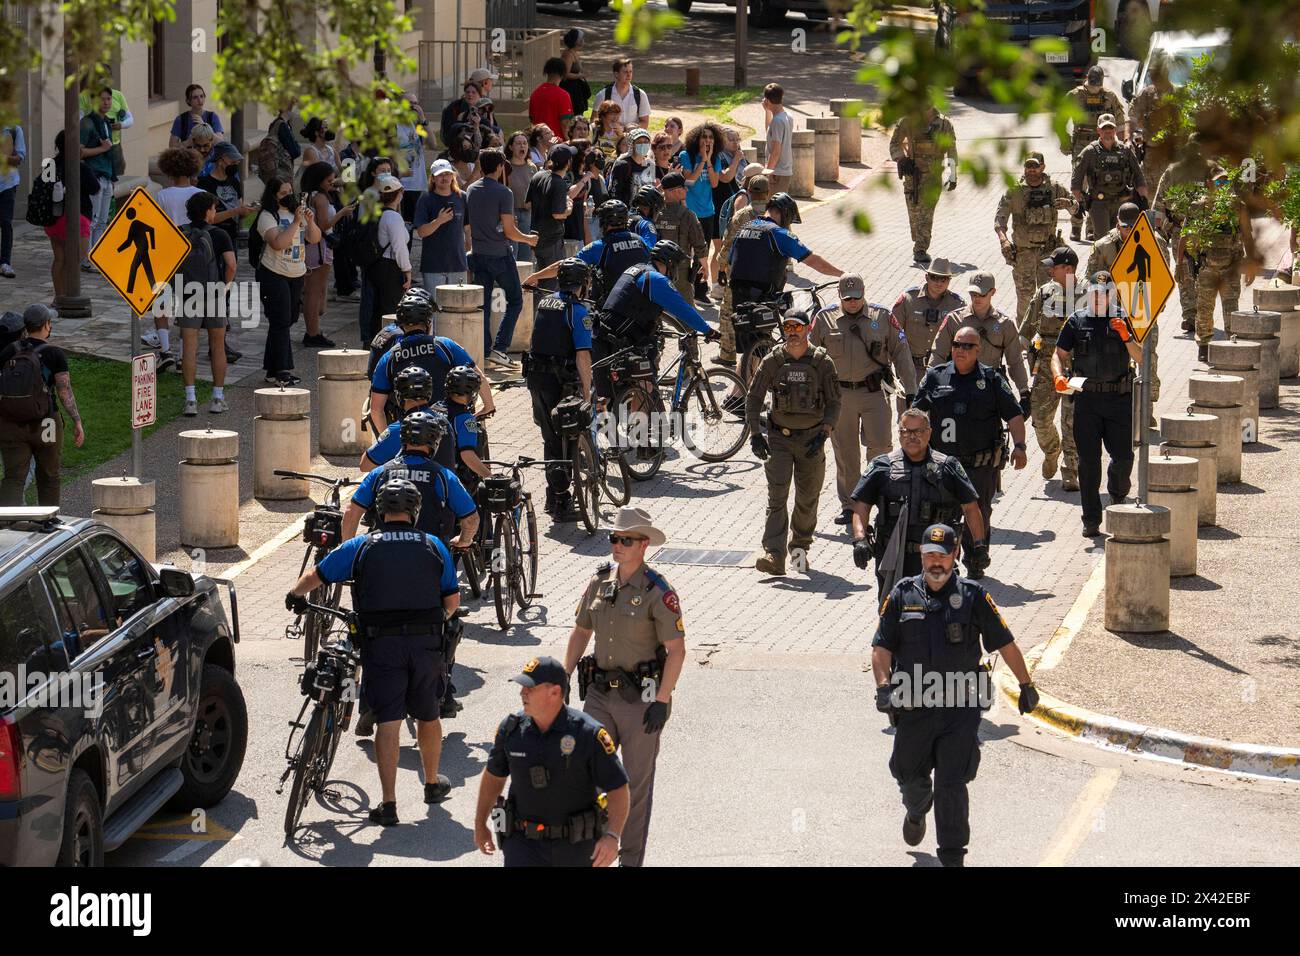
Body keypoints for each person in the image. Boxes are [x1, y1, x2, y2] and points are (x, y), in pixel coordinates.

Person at [287, 478, 461, 824]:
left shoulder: (363, 546)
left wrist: (295, 594)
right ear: (414, 512)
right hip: (426, 645)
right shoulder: (434, 545)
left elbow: (317, 575)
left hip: (381, 645)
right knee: (428, 715)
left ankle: (389, 804)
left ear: (380, 511)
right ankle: (430, 783)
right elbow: (452, 601)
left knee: (389, 721)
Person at [872, 523, 1038, 867]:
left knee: (952, 782)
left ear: (955, 555)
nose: (936, 563)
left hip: (959, 709)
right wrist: (883, 688)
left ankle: (952, 856)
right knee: (907, 774)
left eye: (942, 556)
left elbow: (1005, 643)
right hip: (914, 705)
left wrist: (1026, 685)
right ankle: (917, 808)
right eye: (930, 555)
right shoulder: (903, 594)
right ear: (921, 556)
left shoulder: (974, 596)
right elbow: (881, 647)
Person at [563, 508, 684, 867]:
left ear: (643, 545)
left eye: (625, 540)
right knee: (586, 776)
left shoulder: (658, 591)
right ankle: (592, 852)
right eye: (614, 539)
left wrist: (662, 700)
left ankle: (630, 861)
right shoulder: (599, 581)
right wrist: (564, 675)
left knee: (635, 786)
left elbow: (677, 650)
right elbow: (582, 631)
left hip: (642, 703)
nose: (617, 545)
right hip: (600, 694)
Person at [474, 656, 630, 867]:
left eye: (530, 688)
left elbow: (618, 788)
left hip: (575, 848)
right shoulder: (511, 730)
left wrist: (612, 836)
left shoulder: (587, 734)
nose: (523, 693)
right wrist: (480, 823)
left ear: (555, 692)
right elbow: (494, 776)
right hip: (523, 844)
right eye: (522, 687)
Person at [914, 325, 1026, 578]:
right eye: (956, 345)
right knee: (942, 514)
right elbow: (916, 415)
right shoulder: (936, 376)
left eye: (967, 346)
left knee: (979, 511)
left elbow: (1014, 416)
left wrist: (1020, 446)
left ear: (979, 350)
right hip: (942, 465)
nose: (960, 350)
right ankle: (945, 561)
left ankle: (977, 558)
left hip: (980, 464)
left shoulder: (991, 380)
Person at [810, 274, 918, 528]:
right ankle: (850, 505)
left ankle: (879, 497)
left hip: (874, 393)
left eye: (857, 298)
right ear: (839, 296)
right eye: (847, 299)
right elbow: (810, 355)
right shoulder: (824, 319)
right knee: (846, 453)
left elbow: (901, 352)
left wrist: (911, 390)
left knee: (880, 447)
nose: (852, 303)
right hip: (840, 396)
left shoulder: (881, 317)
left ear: (864, 293)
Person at [850, 408, 985, 600]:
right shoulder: (882, 466)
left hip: (938, 557)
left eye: (918, 431)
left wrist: (979, 546)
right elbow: (861, 506)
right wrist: (860, 540)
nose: (911, 437)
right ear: (899, 434)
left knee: (941, 616)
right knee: (892, 615)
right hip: (893, 558)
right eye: (906, 431)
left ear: (929, 433)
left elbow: (970, 508)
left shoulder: (948, 466)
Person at [746, 309, 841, 576]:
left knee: (807, 498)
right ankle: (774, 555)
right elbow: (753, 398)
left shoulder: (822, 362)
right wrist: (755, 434)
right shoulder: (773, 360)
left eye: (797, 327)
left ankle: (799, 550)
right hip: (779, 440)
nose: (792, 333)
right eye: (788, 327)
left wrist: (825, 432)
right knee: (777, 497)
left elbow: (835, 402)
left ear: (808, 329)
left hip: (812, 440)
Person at [1051, 270, 1144, 537]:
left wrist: (1126, 336)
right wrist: (1058, 375)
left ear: (1112, 295)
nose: (1099, 298)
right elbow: (1058, 354)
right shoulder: (1076, 321)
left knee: (1124, 458)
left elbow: (1140, 358)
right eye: (1094, 293)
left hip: (1119, 400)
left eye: (1104, 294)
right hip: (1088, 401)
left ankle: (1117, 497)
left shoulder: (1124, 319)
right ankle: (1091, 519)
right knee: (1088, 464)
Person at [571, 240, 717, 401]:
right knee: (646, 388)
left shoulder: (637, 269)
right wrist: (708, 330)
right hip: (619, 342)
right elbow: (684, 310)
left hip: (603, 336)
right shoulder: (655, 279)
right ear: (669, 263)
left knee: (606, 400)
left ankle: (632, 424)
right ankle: (641, 423)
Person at [728, 193, 844, 366]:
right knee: (760, 348)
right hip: (762, 297)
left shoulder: (744, 228)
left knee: (751, 348)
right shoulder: (778, 234)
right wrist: (841, 274)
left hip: (737, 295)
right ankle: (748, 389)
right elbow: (813, 260)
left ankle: (739, 392)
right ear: (784, 213)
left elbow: (731, 260)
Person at [522, 258, 594, 517]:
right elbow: (583, 356)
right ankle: (562, 500)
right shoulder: (578, 312)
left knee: (549, 437)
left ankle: (553, 497)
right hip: (560, 383)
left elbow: (530, 283)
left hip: (535, 380)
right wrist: (587, 393)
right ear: (583, 284)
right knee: (564, 438)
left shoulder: (545, 302)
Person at [368, 288, 492, 435]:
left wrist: (388, 442)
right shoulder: (445, 345)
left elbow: (376, 409)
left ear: (401, 323)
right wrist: (488, 406)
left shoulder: (389, 358)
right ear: (428, 321)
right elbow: (478, 377)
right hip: (448, 428)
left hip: (410, 432)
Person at [1086, 202, 1167, 410]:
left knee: (1147, 356)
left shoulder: (1155, 242)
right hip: (1113, 312)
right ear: (1117, 224)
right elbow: (1089, 280)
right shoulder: (1104, 246)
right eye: (1124, 227)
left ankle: (1146, 407)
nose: (1128, 231)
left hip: (1143, 310)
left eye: (1132, 226)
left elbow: (1162, 276)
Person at [0, 304, 83, 505]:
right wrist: (77, 421)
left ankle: (6, 526)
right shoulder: (55, 354)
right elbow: (64, 391)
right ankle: (49, 522)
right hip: (47, 423)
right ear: (47, 325)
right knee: (49, 476)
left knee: (13, 478)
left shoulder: (9, 350)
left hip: (11, 423)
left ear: (26, 326)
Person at [466, 148, 539, 367]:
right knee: (516, 300)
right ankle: (499, 348)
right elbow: (509, 230)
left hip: (478, 253)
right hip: (499, 255)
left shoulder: (471, 189)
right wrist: (528, 239)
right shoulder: (503, 192)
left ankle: (487, 350)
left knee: (485, 304)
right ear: (499, 167)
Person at [1179, 166, 1257, 362]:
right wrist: (1179, 264)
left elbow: (1247, 235)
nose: (1223, 186)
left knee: (1231, 307)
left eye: (1226, 182)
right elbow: (1184, 236)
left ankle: (1232, 343)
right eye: (1218, 182)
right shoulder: (1198, 206)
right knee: (1204, 308)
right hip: (1206, 268)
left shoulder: (1237, 206)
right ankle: (1204, 346)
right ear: (1209, 184)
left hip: (1231, 267)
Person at [1019, 246, 1081, 490]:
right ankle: (1052, 450)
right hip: (1046, 366)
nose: (1049, 270)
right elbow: (1024, 332)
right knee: (1041, 418)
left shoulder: (1088, 294)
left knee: (1072, 422)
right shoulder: (1044, 293)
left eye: (1053, 266)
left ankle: (1071, 471)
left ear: (1068, 269)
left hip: (1077, 368)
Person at [928, 271, 1031, 416]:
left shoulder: (1004, 324)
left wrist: (1024, 392)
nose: (976, 299)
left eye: (982, 295)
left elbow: (1015, 361)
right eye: (973, 294)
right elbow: (938, 354)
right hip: (957, 384)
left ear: (993, 292)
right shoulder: (954, 320)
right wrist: (931, 382)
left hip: (989, 386)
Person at [994, 151, 1077, 323]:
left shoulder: (1054, 188)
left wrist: (1069, 204)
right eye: (1028, 166)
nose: (1031, 170)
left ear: (1043, 167)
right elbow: (999, 219)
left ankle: (1049, 337)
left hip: (1049, 255)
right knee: (1025, 298)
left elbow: (1076, 209)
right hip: (1023, 255)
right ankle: (1025, 339)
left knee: (1051, 295)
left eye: (1035, 166)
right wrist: (1004, 241)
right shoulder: (1014, 191)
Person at [255, 175, 321, 385]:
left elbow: (314, 238)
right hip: (274, 273)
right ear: (274, 196)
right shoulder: (267, 216)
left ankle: (272, 369)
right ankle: (283, 370)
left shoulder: (298, 213)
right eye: (283, 193)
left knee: (287, 320)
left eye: (290, 192)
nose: (288, 196)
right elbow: (278, 243)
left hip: (296, 273)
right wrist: (294, 223)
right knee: (281, 321)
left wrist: (309, 221)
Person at [528, 200, 650, 311]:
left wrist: (535, 276)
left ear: (603, 222)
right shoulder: (641, 241)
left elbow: (566, 265)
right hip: (641, 304)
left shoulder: (600, 246)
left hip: (611, 307)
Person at [177, 192, 234, 416]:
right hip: (214, 293)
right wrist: (225, 285)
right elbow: (231, 265)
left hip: (188, 293)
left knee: (189, 347)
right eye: (214, 208)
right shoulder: (220, 234)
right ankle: (217, 398)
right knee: (217, 346)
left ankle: (190, 400)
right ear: (208, 211)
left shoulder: (181, 232)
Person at [1064, 65, 1127, 241]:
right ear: (1086, 80)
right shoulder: (1075, 96)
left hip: (1102, 145)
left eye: (1096, 87)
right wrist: (1064, 140)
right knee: (1079, 184)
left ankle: (1091, 227)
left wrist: (1122, 144)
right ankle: (1076, 224)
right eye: (1091, 86)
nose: (1094, 90)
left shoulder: (1109, 96)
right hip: (1081, 143)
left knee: (1097, 185)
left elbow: (1121, 122)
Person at [889, 106, 958, 265]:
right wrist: (901, 158)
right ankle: (918, 240)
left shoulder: (944, 124)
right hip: (912, 176)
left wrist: (953, 174)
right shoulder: (908, 121)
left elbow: (951, 150)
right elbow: (894, 143)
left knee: (925, 215)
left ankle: (920, 249)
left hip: (932, 178)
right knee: (914, 214)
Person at [716, 174, 771, 371]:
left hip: (739, 273)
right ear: (767, 193)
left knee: (727, 311)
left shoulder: (741, 216)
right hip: (764, 276)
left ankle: (727, 353)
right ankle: (760, 353)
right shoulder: (775, 214)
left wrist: (721, 268)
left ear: (749, 192)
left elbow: (728, 245)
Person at [679, 122, 739, 296]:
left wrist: (710, 160)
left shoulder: (716, 158)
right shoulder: (686, 155)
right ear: (696, 139)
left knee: (702, 252)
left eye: (711, 137)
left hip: (708, 212)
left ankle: (699, 288)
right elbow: (689, 180)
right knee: (686, 252)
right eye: (704, 136)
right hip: (689, 211)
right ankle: (684, 287)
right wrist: (702, 160)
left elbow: (714, 183)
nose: (707, 140)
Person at [361, 364, 455, 473]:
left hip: (408, 488)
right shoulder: (445, 422)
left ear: (399, 394)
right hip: (446, 487)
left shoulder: (400, 428)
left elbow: (365, 465)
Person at [301, 161, 354, 349]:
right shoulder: (321, 199)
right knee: (315, 291)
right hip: (320, 246)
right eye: (329, 180)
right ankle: (312, 332)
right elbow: (324, 224)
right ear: (320, 180)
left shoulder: (314, 195)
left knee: (316, 291)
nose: (333, 182)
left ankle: (314, 329)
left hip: (316, 245)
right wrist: (342, 212)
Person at [1071, 114, 1146, 243]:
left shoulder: (1126, 151)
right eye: (1104, 129)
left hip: (1123, 204)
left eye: (1110, 129)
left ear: (1115, 130)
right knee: (1104, 242)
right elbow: (1076, 182)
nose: (1107, 132)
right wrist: (1081, 202)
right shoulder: (1090, 152)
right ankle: (1100, 263)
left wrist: (1144, 200)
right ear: (1098, 131)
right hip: (1099, 204)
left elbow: (1139, 177)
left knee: (1124, 240)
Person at [890, 258, 966, 383]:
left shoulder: (957, 304)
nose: (939, 283)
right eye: (934, 277)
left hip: (943, 369)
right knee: (908, 403)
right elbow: (893, 333)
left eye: (944, 279)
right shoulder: (908, 299)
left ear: (949, 280)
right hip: (911, 368)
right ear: (926, 277)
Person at [44, 131, 99, 304]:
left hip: (54, 217)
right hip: (77, 217)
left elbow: (45, 188)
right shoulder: (80, 167)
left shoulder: (50, 164)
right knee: (75, 259)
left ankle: (59, 296)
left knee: (59, 259)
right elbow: (94, 188)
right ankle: (70, 296)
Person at [413, 158, 469, 291]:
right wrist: (439, 221)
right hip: (433, 266)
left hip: (458, 264)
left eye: (447, 174)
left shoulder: (462, 197)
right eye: (440, 175)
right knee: (435, 310)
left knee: (458, 309)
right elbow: (421, 232)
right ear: (433, 178)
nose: (444, 178)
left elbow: (468, 227)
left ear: (453, 175)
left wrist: (469, 248)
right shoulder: (426, 198)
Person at [652, 172, 708, 304]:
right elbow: (699, 243)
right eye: (683, 187)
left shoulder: (653, 212)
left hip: (655, 268)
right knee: (687, 313)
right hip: (679, 271)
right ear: (675, 191)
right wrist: (705, 267)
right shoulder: (687, 215)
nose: (686, 190)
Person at [368, 174, 412, 339]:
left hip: (376, 266)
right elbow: (399, 247)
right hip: (390, 268)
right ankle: (389, 345)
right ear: (399, 194)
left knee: (378, 310)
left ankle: (374, 344)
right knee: (391, 311)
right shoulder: (393, 217)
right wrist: (407, 270)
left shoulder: (377, 213)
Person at [525, 145, 575, 283]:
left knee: (540, 278)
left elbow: (528, 204)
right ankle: (545, 305)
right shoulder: (559, 183)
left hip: (537, 237)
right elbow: (558, 214)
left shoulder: (538, 175)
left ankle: (537, 304)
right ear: (568, 162)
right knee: (552, 281)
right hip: (551, 240)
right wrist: (569, 206)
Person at [79, 89, 116, 268]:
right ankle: (85, 258)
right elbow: (79, 151)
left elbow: (110, 150)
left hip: (107, 175)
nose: (106, 103)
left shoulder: (106, 122)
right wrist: (102, 149)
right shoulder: (87, 123)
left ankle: (97, 255)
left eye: (109, 99)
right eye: (102, 99)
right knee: (92, 220)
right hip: (93, 175)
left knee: (102, 220)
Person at [505, 132, 538, 261]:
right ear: (510, 147)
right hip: (510, 214)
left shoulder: (532, 167)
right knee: (513, 251)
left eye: (524, 143)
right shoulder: (506, 167)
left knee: (526, 254)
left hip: (528, 214)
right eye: (518, 143)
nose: (522, 146)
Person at [395, 94, 428, 223]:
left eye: (416, 103)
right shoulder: (395, 126)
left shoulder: (414, 124)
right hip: (404, 184)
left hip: (418, 184)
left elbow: (430, 142)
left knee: (417, 224)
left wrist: (423, 119)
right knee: (405, 226)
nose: (414, 107)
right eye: (410, 103)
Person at [591, 58, 650, 130]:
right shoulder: (603, 95)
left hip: (632, 137)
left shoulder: (640, 95)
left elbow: (645, 122)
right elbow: (594, 120)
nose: (629, 75)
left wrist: (635, 128)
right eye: (625, 72)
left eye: (630, 72)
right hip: (609, 138)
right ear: (616, 74)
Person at [607, 127, 656, 206]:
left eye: (646, 142)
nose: (643, 144)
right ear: (632, 144)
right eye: (639, 142)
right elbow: (614, 193)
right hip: (626, 212)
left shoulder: (650, 165)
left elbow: (651, 190)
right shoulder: (623, 165)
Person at [529, 57, 575, 140]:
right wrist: (569, 141)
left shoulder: (535, 93)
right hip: (556, 142)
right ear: (562, 73)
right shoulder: (563, 95)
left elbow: (532, 120)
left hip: (538, 142)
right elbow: (565, 123)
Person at [760, 84, 793, 194]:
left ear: (768, 101)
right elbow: (769, 132)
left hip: (777, 173)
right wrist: (767, 111)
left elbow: (775, 151)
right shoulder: (787, 116)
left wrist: (767, 172)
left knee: (774, 207)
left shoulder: (777, 121)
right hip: (784, 170)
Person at [0, 124, 23, 279]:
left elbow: (19, 159)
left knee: (6, 223)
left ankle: (5, 262)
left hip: (7, 183)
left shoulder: (14, 129)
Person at [559, 29, 591, 116]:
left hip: (576, 89)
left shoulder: (574, 53)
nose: (583, 41)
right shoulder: (568, 55)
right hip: (570, 90)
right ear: (577, 41)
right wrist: (581, 75)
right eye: (582, 38)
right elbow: (565, 74)